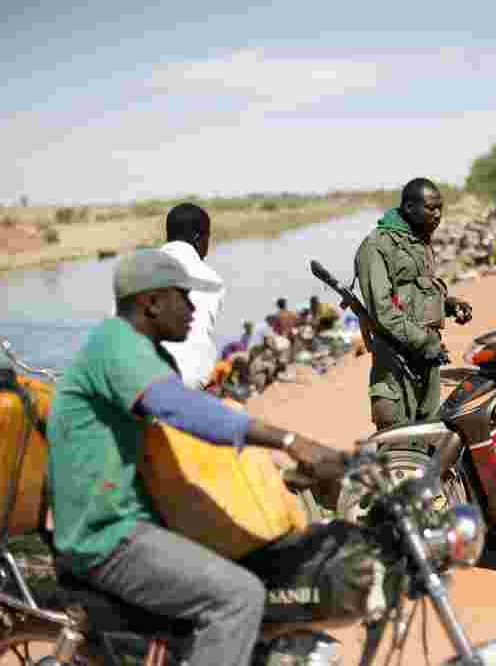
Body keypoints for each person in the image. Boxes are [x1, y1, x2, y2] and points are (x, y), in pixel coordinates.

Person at [47, 249, 346, 666]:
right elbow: (183, 411)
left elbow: (181, 451)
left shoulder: (144, 352)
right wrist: (290, 440)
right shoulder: (118, 348)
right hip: (106, 534)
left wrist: (278, 478)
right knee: (238, 597)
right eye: (183, 298)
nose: (192, 308)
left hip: (137, 516)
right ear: (151, 302)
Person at [355, 178, 473, 435]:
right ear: (409, 208)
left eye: (440, 207)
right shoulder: (377, 246)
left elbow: (416, 295)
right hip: (396, 364)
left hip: (426, 358)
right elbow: (383, 311)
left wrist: (449, 306)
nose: (438, 214)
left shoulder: (418, 242)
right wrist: (425, 342)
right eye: (431, 208)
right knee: (399, 440)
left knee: (428, 435)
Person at [158, 203, 226, 390]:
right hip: (187, 386)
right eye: (207, 238)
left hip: (134, 386)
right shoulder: (212, 281)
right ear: (198, 239)